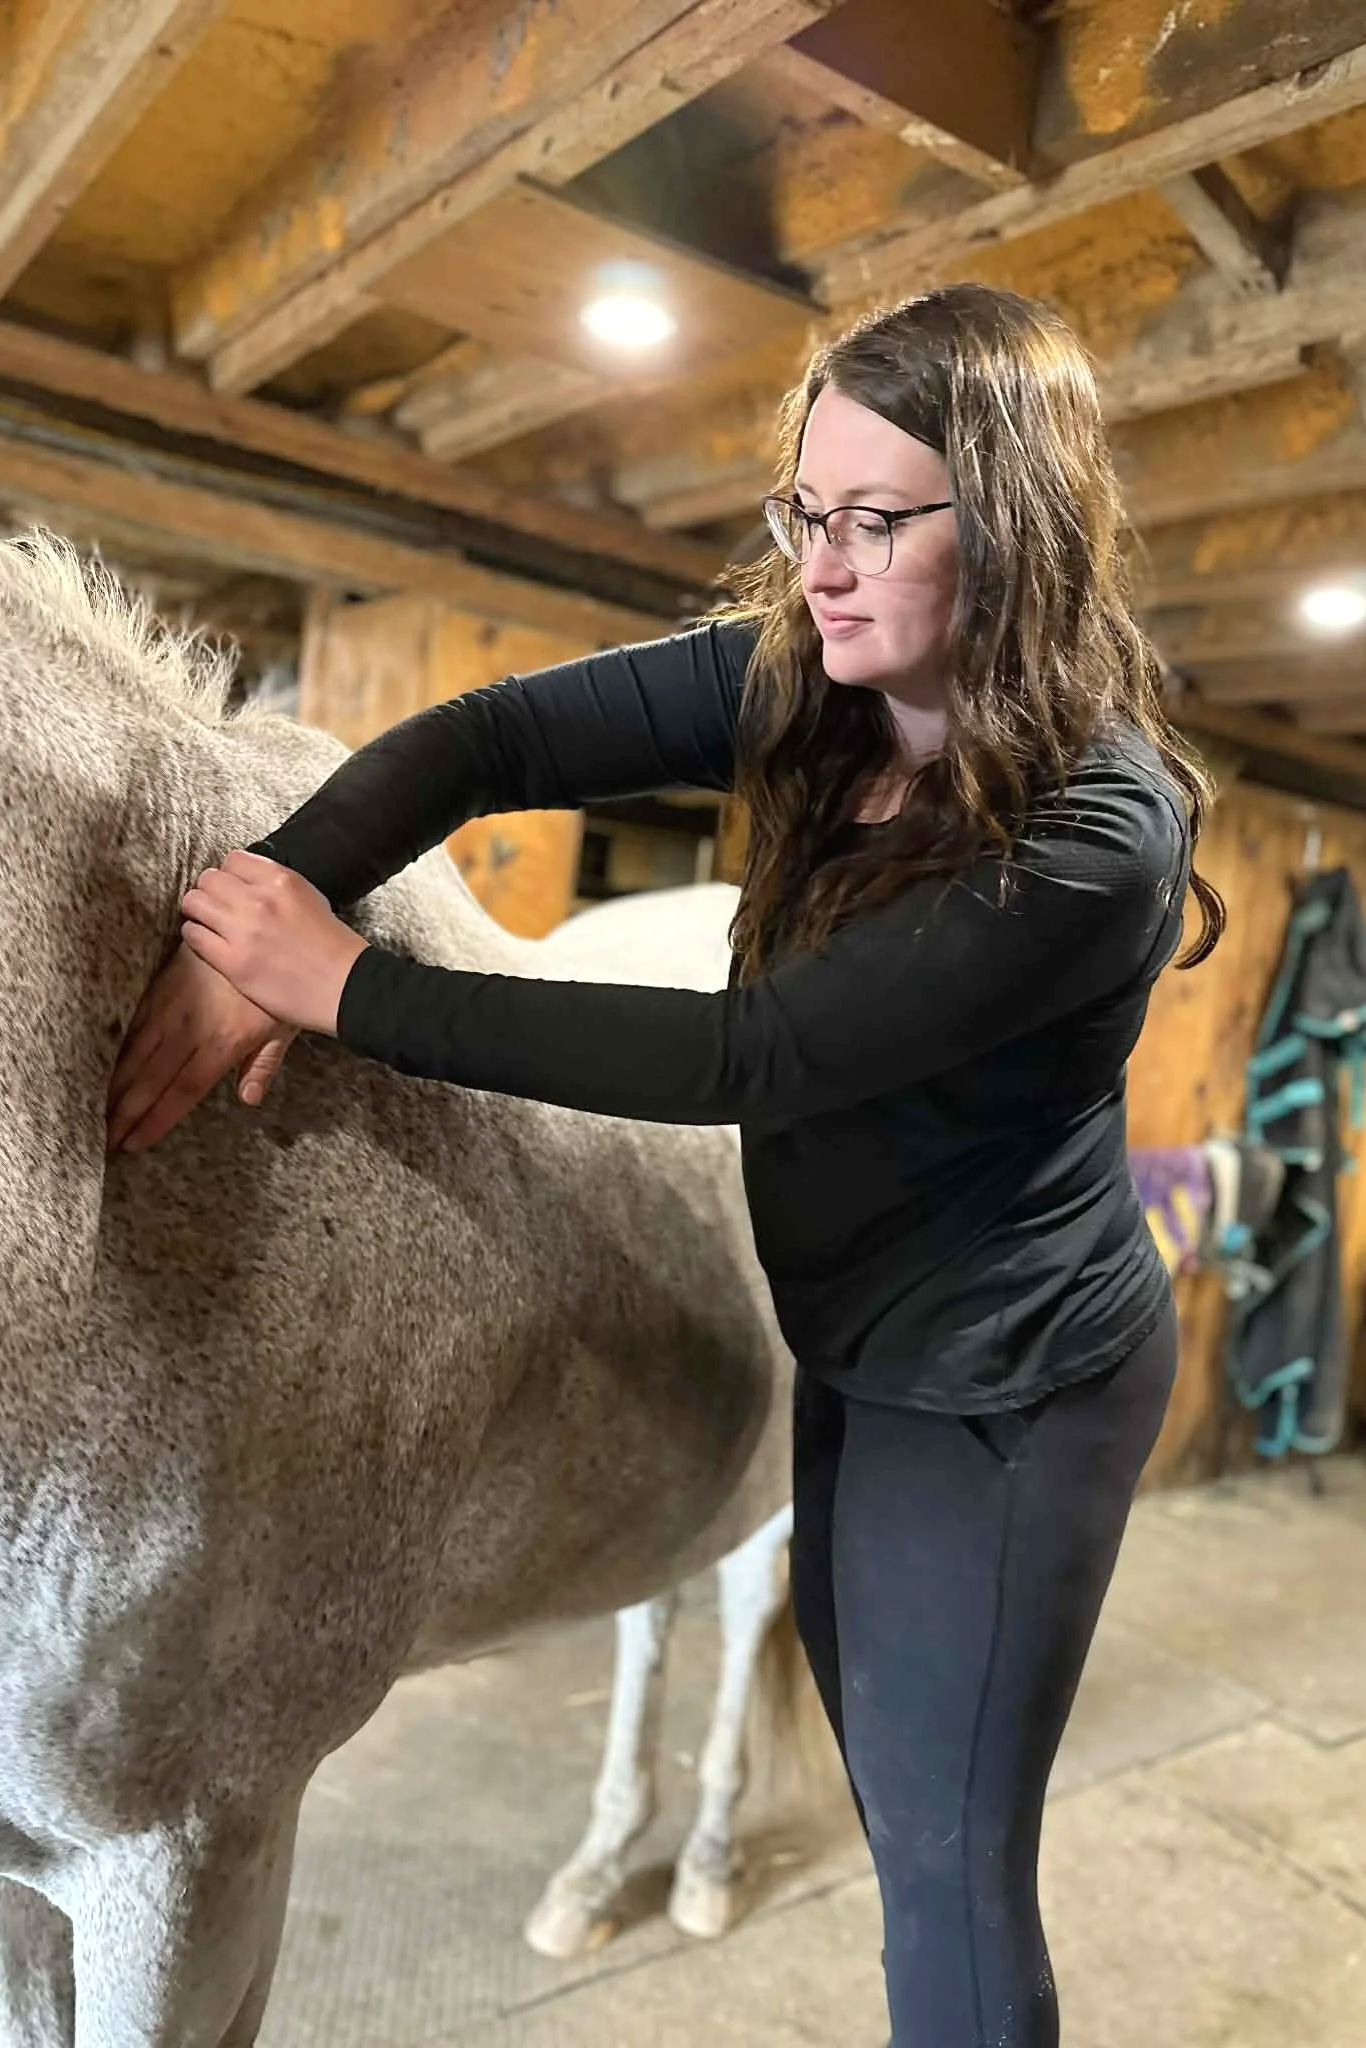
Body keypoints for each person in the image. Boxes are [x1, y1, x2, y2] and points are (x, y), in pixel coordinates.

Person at [107, 283, 1223, 2048]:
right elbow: (491, 740)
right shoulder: (814, 681)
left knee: (945, 1870)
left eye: (876, 520)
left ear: (1012, 526)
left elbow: (747, 1058)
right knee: (893, 1781)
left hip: (1006, 1384)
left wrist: (342, 987)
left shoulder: (1099, 832)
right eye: (805, 509)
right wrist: (267, 904)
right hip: (853, 1332)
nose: (823, 565)